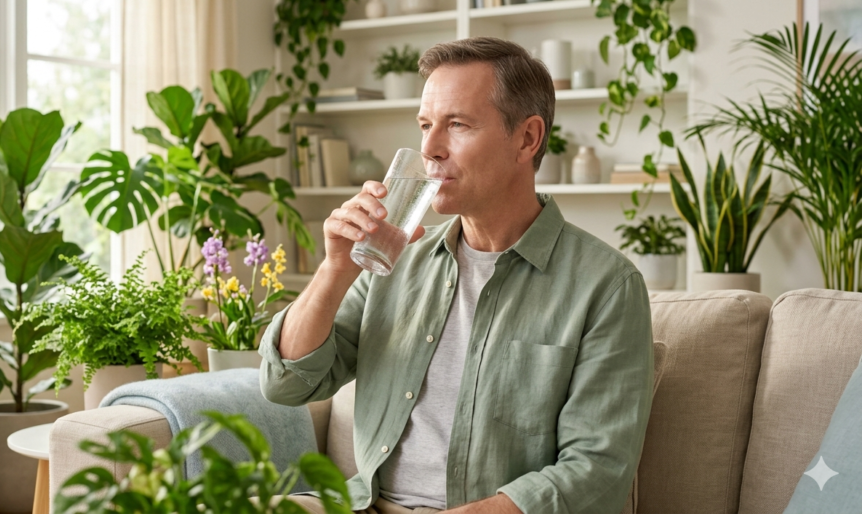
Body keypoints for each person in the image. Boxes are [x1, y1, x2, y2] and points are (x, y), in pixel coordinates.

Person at [258, 37, 654, 514]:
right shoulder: (395, 260)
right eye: (425, 126)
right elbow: (287, 384)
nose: (429, 149)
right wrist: (335, 268)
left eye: (457, 125)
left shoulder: (606, 286)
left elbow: (597, 469)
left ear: (527, 138)